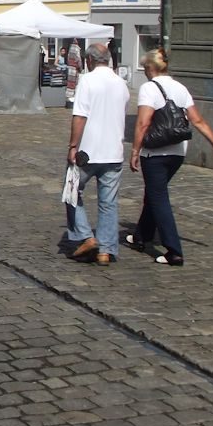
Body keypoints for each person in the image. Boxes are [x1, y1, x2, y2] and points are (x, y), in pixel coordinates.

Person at [127, 49, 213, 267]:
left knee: (158, 197)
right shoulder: (180, 88)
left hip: (155, 152)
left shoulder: (148, 88)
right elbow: (198, 120)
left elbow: (143, 123)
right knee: (154, 194)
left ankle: (173, 250)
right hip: (177, 153)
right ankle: (140, 237)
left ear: (149, 68)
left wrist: (135, 150)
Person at [66, 43, 130, 266]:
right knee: (108, 202)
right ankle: (106, 250)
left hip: (88, 152)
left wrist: (73, 145)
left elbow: (80, 115)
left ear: (89, 61)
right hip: (113, 151)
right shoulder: (121, 83)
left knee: (72, 193)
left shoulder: (88, 80)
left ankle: (86, 237)